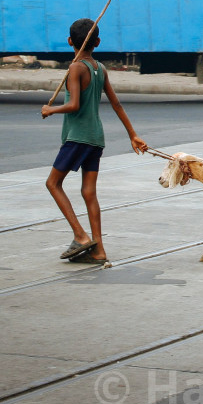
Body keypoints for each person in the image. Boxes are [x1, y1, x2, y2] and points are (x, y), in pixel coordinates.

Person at [42, 18, 147, 264]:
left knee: (52, 184)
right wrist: (133, 134)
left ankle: (80, 235)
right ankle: (99, 250)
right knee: (89, 192)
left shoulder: (76, 68)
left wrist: (50, 110)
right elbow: (116, 103)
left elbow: (74, 104)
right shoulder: (100, 68)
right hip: (95, 138)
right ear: (97, 42)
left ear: (70, 41)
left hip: (78, 137)